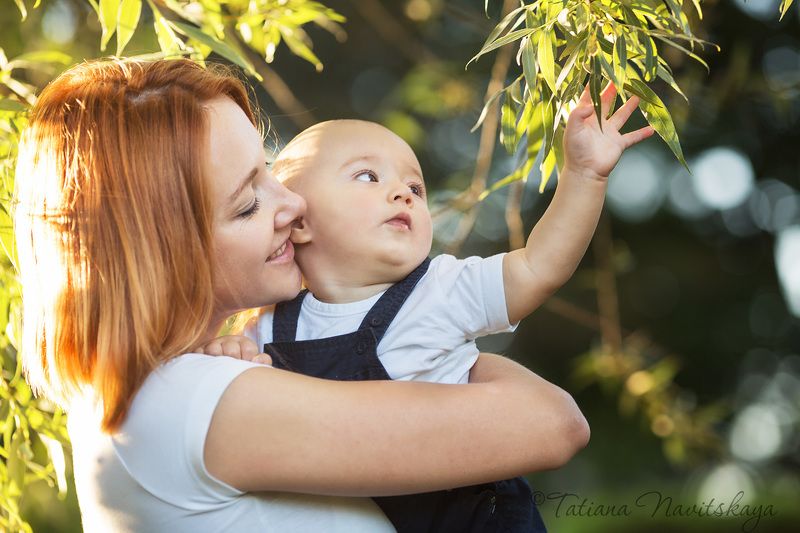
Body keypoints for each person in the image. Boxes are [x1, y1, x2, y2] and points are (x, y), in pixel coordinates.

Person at [13, 57, 593, 532]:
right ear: (163, 249)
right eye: (247, 203)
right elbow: (552, 423)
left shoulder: (176, 384)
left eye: (270, 174)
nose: (292, 206)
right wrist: (447, 354)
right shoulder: (196, 401)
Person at [201, 82, 654, 532]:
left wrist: (584, 177)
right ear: (297, 220)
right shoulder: (270, 329)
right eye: (367, 176)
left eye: (415, 187)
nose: (403, 193)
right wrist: (230, 353)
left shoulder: (442, 289)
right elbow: (240, 388)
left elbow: (538, 268)